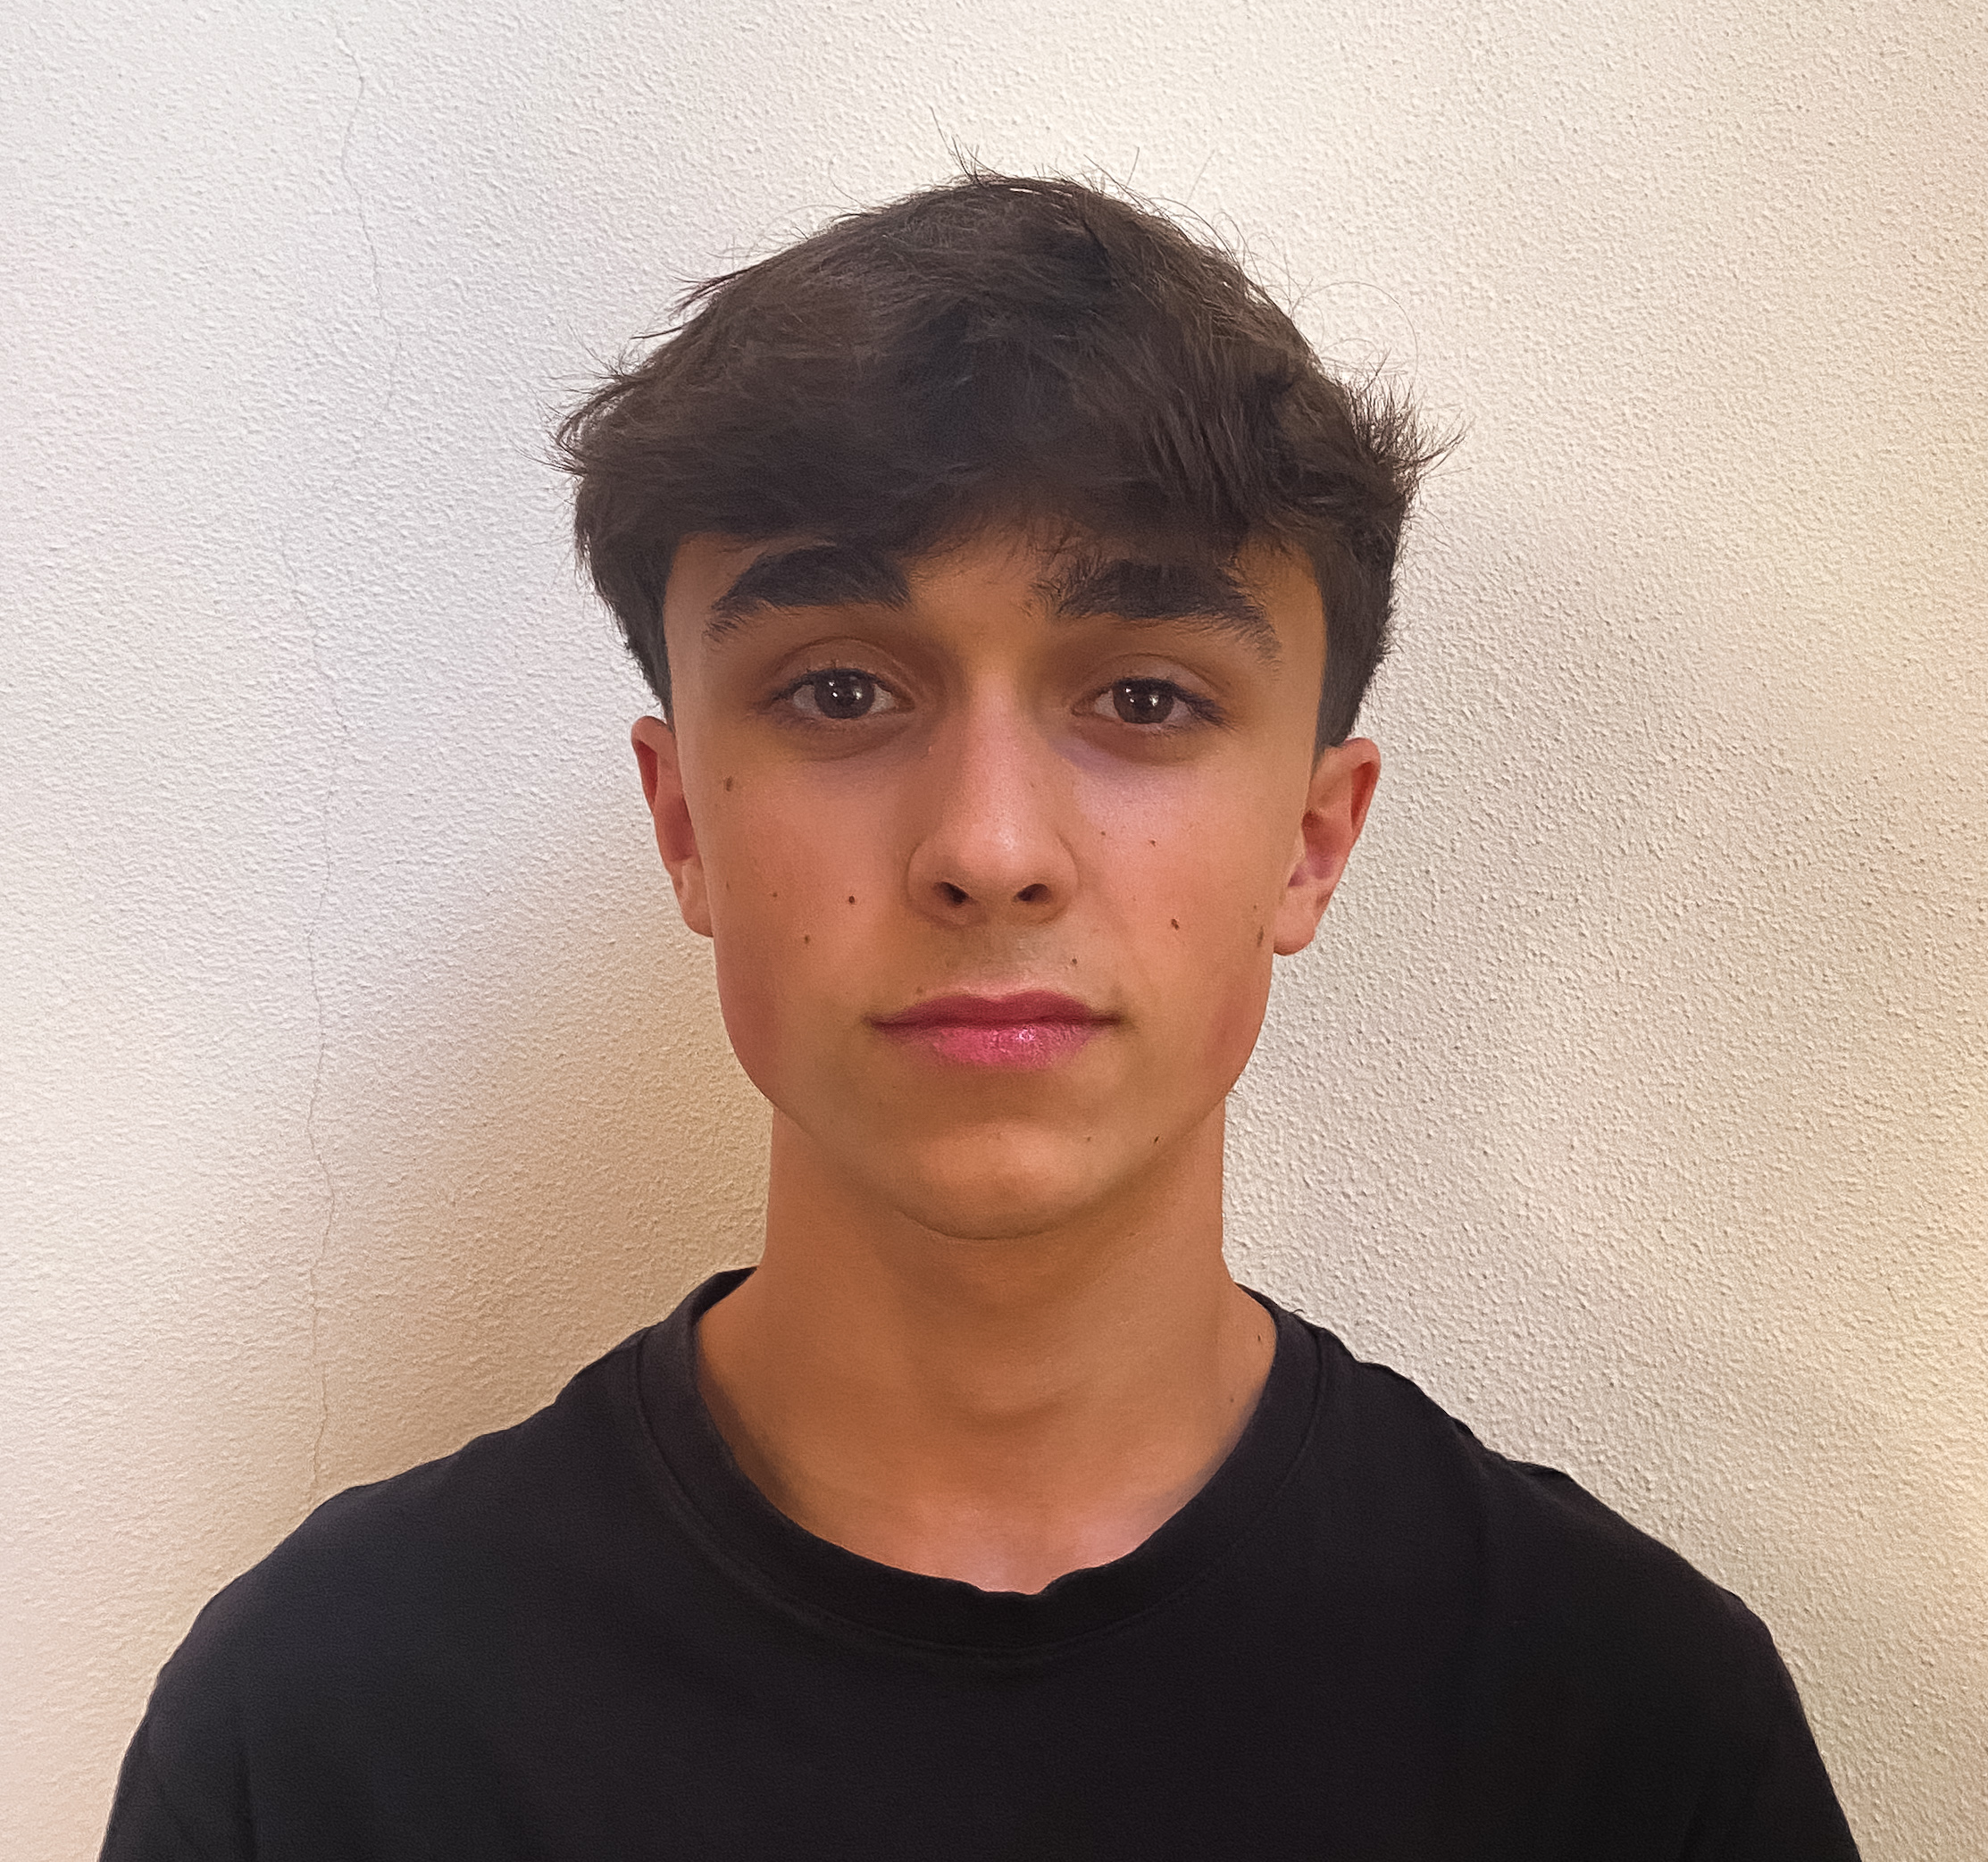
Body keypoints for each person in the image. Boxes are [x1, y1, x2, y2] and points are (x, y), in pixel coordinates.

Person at [101, 173, 1860, 1858]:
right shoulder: (323, 1726)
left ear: (1312, 842)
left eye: (1145, 698)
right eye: (839, 690)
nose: (990, 848)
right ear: (685, 822)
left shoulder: (1624, 1727)